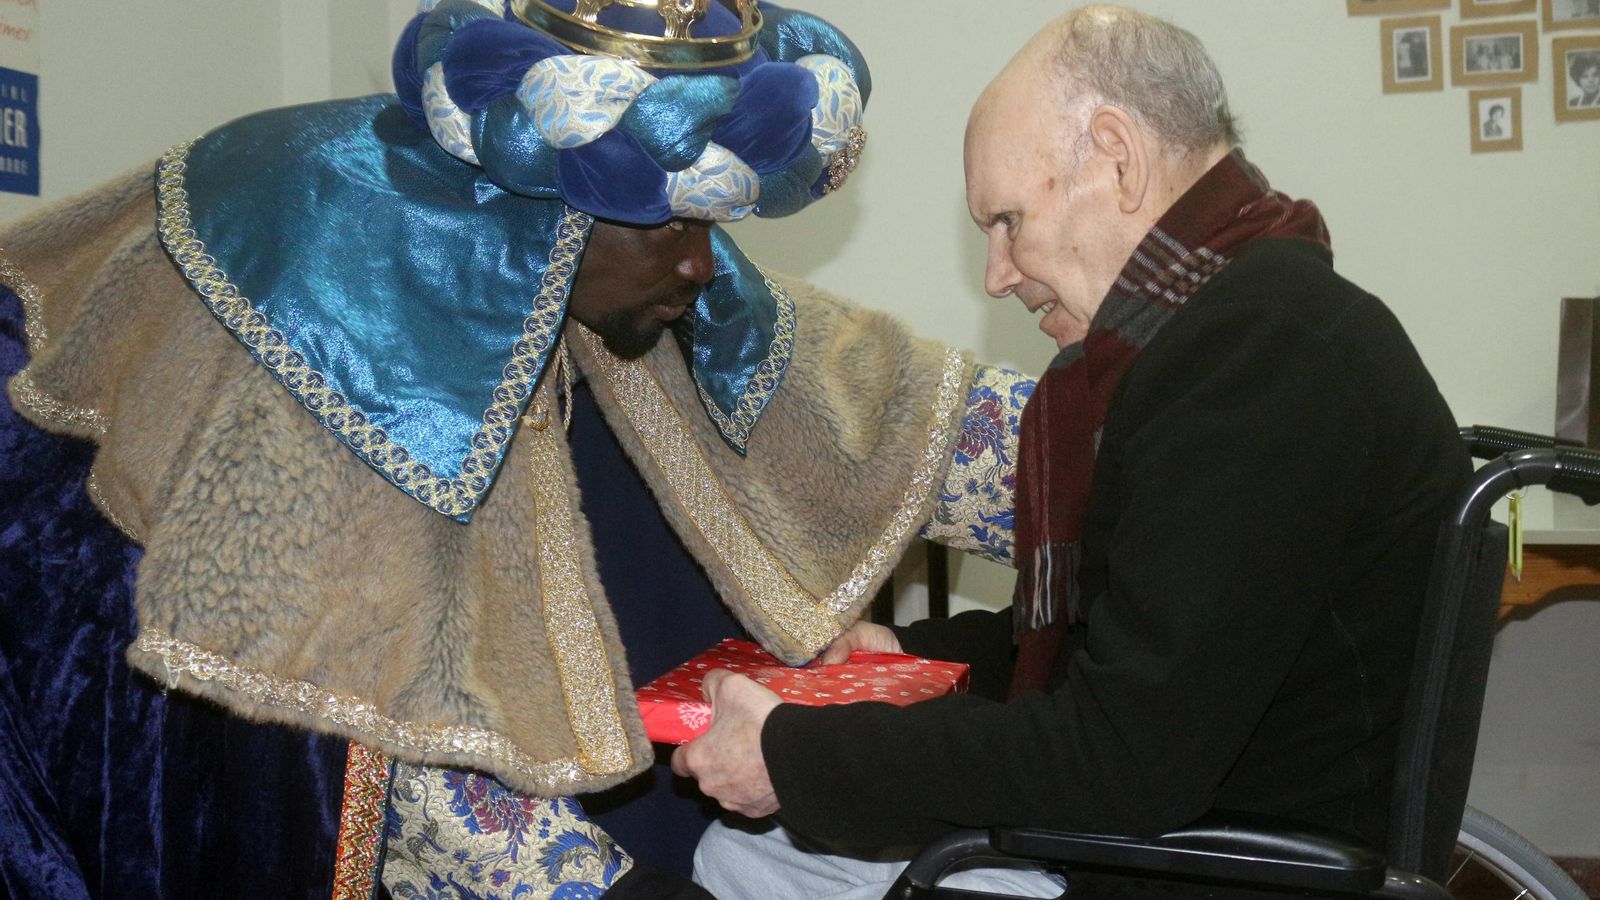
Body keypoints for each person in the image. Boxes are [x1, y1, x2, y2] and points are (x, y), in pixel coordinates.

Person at [0, 1, 1032, 896]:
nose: (703, 266)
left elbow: (920, 419)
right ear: (544, 212)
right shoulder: (349, 364)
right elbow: (395, 755)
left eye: (710, 222)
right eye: (668, 223)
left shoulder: (657, 302)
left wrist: (1120, 422)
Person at [674, 6, 1469, 899]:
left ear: (1117, 157)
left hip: (1211, 867)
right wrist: (899, 655)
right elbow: (1115, 648)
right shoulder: (1253, 325)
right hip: (1191, 825)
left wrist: (794, 757)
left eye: (1008, 220)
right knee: (755, 854)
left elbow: (1123, 755)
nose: (997, 275)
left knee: (743, 860)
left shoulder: (1258, 357)